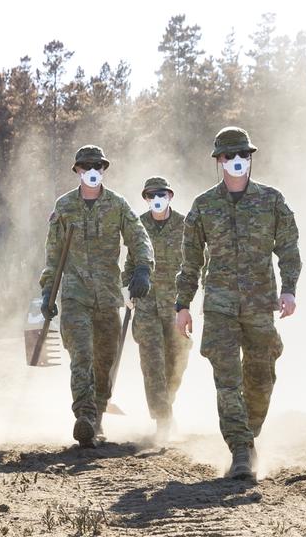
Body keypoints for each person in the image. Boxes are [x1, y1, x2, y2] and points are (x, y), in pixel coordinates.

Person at [175, 126, 301, 481]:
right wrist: (182, 304)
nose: (236, 162)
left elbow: (289, 248)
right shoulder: (202, 206)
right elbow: (190, 263)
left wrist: (289, 289)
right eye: (228, 156)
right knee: (227, 379)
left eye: (242, 155)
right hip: (219, 305)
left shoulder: (271, 200)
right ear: (218, 161)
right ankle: (241, 449)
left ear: (250, 158)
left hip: (261, 303)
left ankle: (249, 434)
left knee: (261, 376)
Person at [40, 145, 153, 448]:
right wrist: (47, 292)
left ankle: (98, 415)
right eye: (86, 166)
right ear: (77, 170)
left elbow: (139, 237)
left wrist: (142, 268)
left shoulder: (117, 205)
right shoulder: (64, 207)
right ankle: (84, 416)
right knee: (82, 354)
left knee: (105, 359)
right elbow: (53, 254)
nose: (92, 171)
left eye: (97, 166)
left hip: (107, 296)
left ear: (103, 170)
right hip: (75, 295)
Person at [122, 176, 192, 443]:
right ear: (146, 199)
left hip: (176, 304)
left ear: (170, 196)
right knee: (152, 362)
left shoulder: (185, 225)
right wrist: (124, 287)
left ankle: (167, 404)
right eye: (151, 195)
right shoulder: (138, 226)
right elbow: (131, 261)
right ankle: (162, 418)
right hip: (147, 304)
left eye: (161, 194)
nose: (156, 199)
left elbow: (198, 261)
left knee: (176, 360)